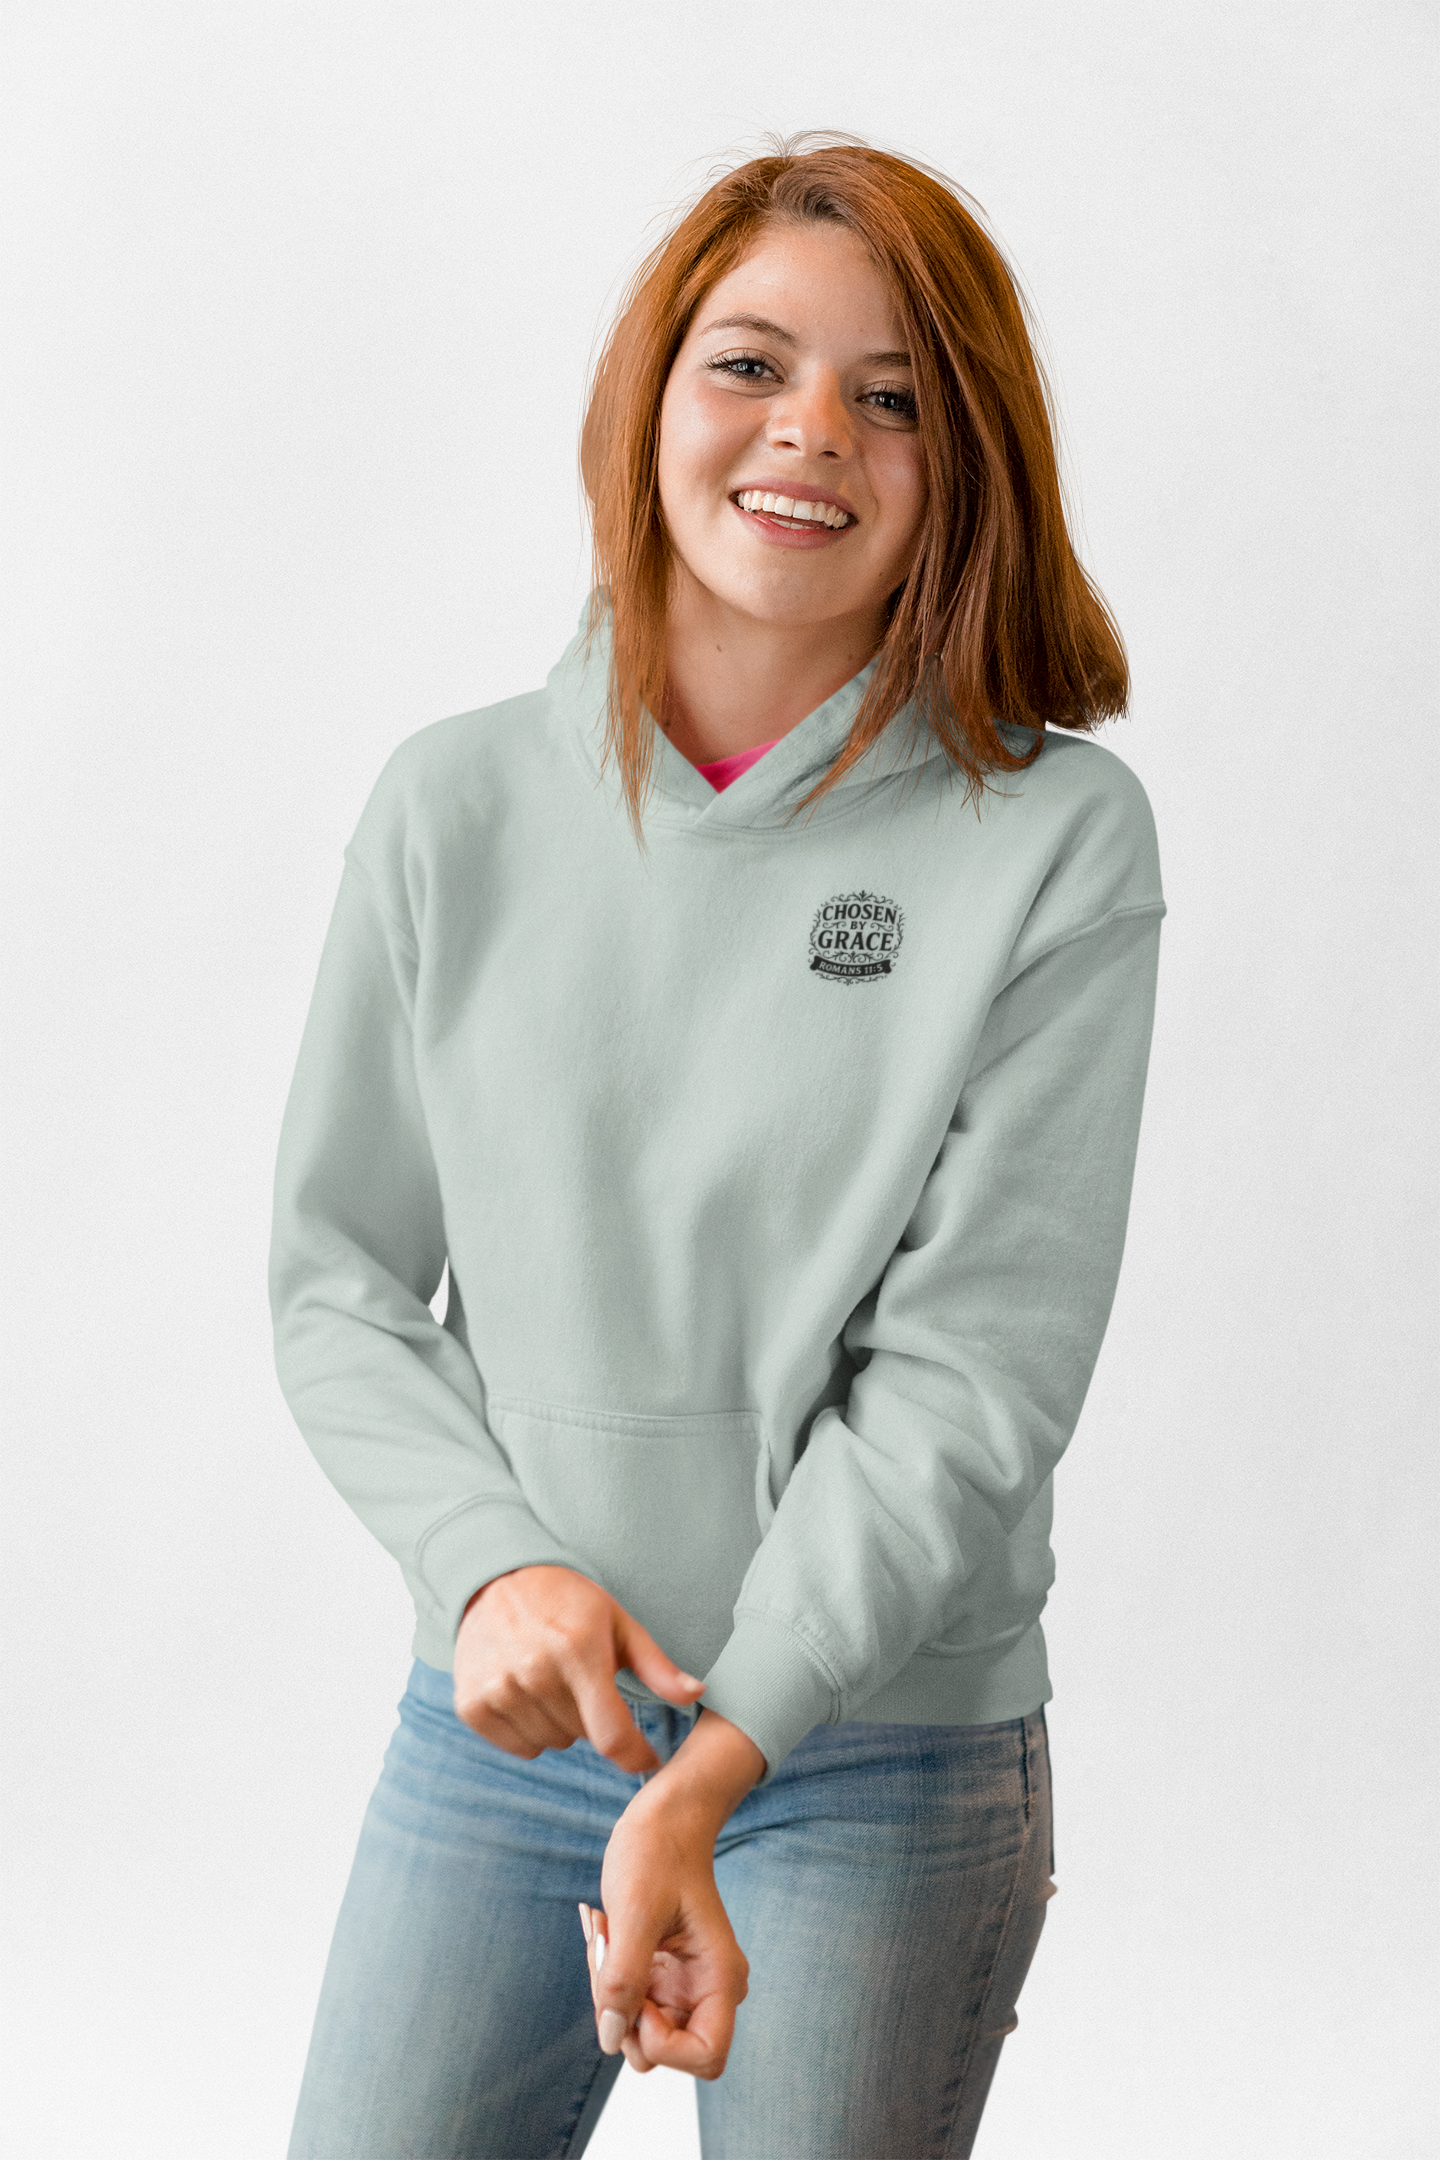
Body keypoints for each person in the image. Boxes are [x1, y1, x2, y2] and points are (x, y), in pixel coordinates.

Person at [269, 135, 1166, 2159]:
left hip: (875, 1754)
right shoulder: (452, 809)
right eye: (751, 363)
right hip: (511, 1732)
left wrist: (728, 1749)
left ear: (965, 464)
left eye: (893, 397)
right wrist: (492, 1568)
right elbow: (337, 1279)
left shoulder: (1054, 844)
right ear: (651, 398)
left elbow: (973, 1375)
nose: (810, 431)